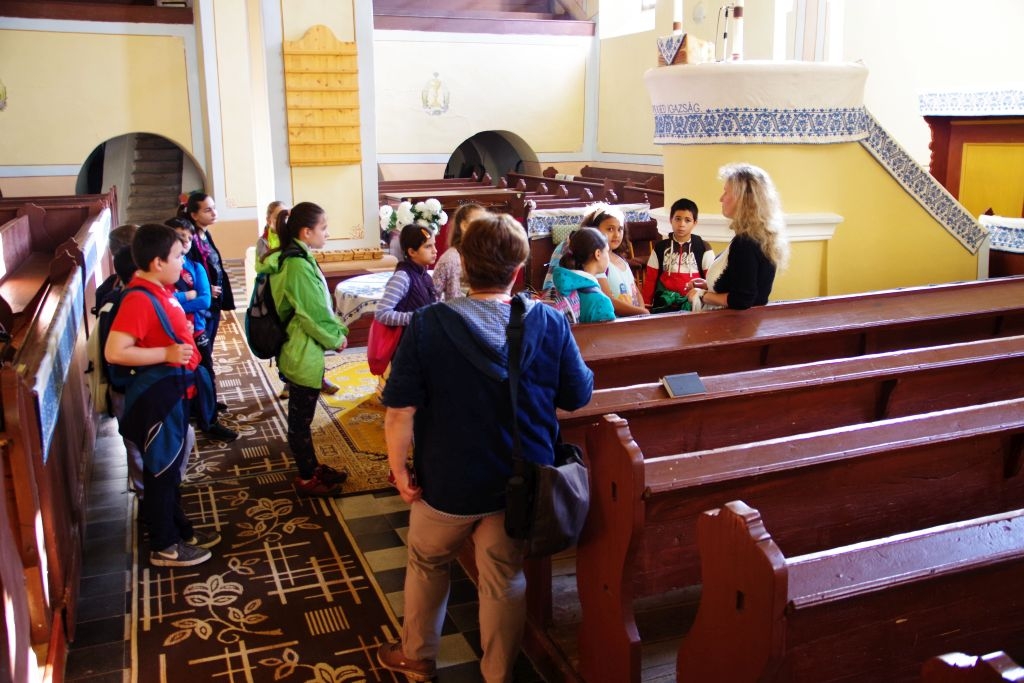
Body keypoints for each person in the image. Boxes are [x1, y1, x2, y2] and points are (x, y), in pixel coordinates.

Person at [376, 213, 594, 683]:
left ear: (465, 265)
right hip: (521, 480)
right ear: (518, 269)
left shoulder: (429, 323)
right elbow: (578, 395)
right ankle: (498, 675)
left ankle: (418, 655)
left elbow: (400, 410)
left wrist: (399, 470)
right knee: (504, 576)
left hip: (448, 480)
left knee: (428, 561)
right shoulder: (550, 321)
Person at [104, 223, 221, 567]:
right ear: (157, 262)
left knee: (168, 469)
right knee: (161, 472)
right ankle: (165, 546)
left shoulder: (159, 289)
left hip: (172, 392)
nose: (183, 263)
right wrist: (166, 354)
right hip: (158, 397)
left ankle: (180, 531)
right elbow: (115, 351)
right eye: (178, 257)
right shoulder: (140, 298)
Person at [261, 202, 350, 497]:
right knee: (300, 422)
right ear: (306, 232)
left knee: (303, 417)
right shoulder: (297, 264)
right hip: (300, 351)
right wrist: (336, 338)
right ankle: (307, 477)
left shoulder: (298, 257)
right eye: (323, 228)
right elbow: (313, 314)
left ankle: (312, 467)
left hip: (301, 348)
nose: (327, 233)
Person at [166, 218, 237, 442]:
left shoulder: (195, 267)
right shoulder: (165, 271)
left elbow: (205, 300)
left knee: (205, 373)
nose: (185, 242)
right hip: (172, 335)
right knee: (179, 378)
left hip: (196, 330)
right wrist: (187, 295)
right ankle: (191, 414)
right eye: (180, 237)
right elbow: (164, 301)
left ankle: (210, 419)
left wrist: (177, 301)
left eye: (189, 238)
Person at [687, 163, 790, 311]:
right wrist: (709, 285)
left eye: (726, 192)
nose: (721, 198)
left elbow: (742, 299)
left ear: (743, 199)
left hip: (732, 322)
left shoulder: (746, 242)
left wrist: (702, 295)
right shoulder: (758, 235)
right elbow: (743, 282)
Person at [371, 223, 439, 381]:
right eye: (428, 246)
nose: (435, 250)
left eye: (434, 245)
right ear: (411, 252)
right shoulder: (402, 277)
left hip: (423, 344)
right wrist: (416, 317)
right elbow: (381, 313)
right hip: (407, 348)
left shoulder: (425, 275)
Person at [643, 197, 715, 312]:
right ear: (671, 220)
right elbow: (650, 279)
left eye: (687, 220)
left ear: (695, 223)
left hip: (693, 305)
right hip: (665, 304)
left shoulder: (703, 248)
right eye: (677, 219)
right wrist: (646, 306)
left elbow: (711, 280)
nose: (681, 224)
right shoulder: (660, 248)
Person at [584, 205, 648, 317]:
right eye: (610, 229)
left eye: (620, 229)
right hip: (616, 322)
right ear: (594, 230)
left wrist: (642, 310)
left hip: (634, 320)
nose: (617, 235)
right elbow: (608, 300)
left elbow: (636, 292)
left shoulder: (621, 260)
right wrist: (641, 312)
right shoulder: (598, 262)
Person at [550, 227, 616, 323]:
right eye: (607, 251)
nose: (608, 257)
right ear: (598, 254)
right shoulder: (601, 301)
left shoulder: (560, 289)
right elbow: (609, 332)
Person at [431, 202, 484, 301]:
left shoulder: (488, 254)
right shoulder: (450, 258)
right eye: (479, 221)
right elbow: (433, 296)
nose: (485, 226)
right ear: (464, 225)